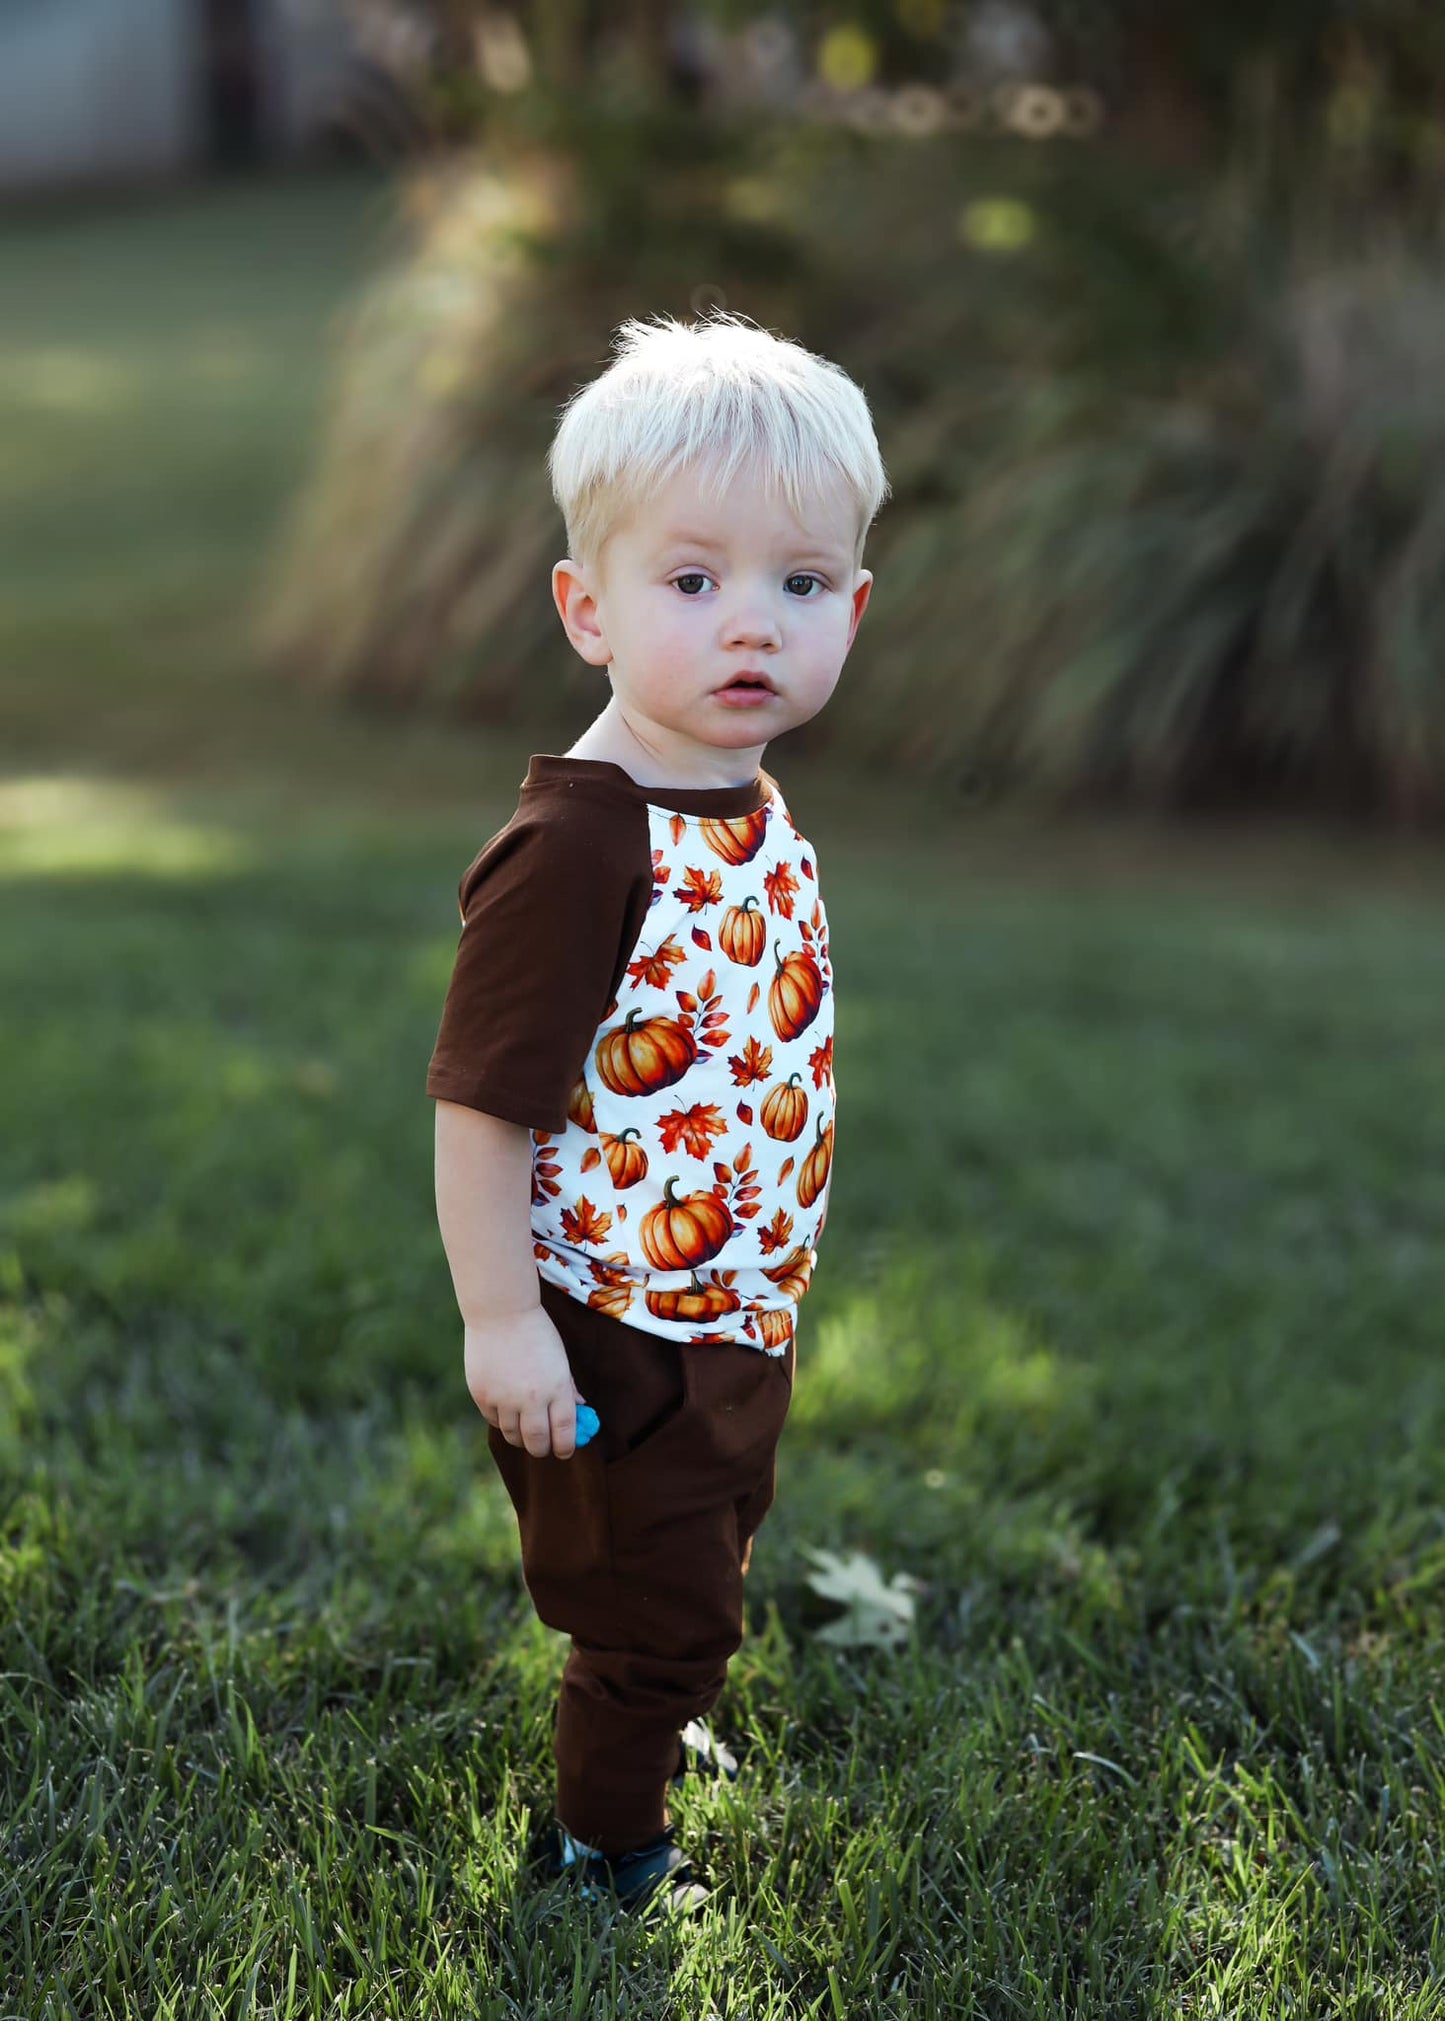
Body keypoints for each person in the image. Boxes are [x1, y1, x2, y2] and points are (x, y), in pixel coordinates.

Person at [426, 313, 888, 1911]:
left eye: (799, 583)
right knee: (649, 1596)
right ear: (588, 609)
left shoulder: (741, 794)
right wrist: (505, 1323)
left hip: (730, 1297)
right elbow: (480, 1105)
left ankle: (654, 1689)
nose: (748, 623)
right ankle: (603, 1850)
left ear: (853, 607)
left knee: (706, 1541)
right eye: (691, 582)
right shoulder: (579, 847)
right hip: (611, 1313)